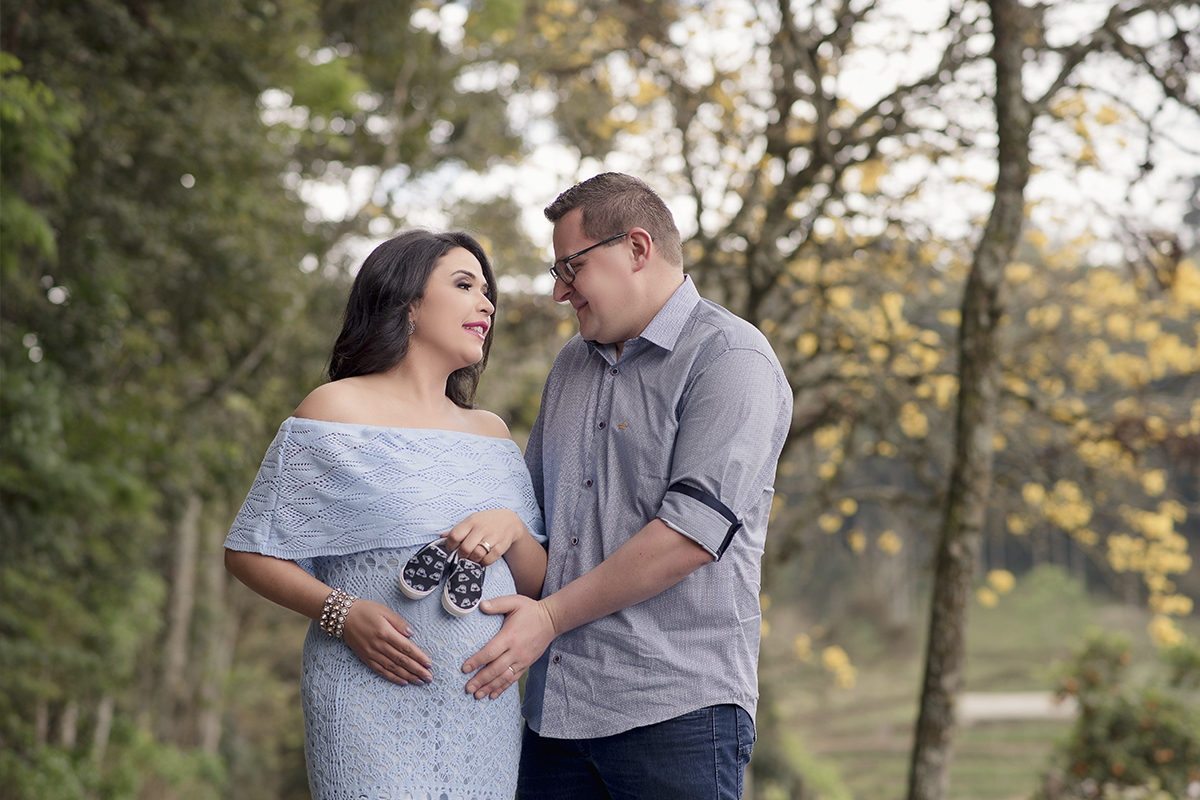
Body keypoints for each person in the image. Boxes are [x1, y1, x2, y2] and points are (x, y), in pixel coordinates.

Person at [461, 173, 793, 799]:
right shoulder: (571, 365)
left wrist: (549, 617)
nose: (560, 291)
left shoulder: (731, 360)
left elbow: (686, 538)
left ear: (637, 249)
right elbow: (538, 536)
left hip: (676, 716)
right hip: (553, 714)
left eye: (571, 267)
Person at [223, 230, 547, 800]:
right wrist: (340, 613)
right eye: (464, 284)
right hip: (363, 701)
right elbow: (249, 550)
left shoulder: (492, 433)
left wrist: (512, 527)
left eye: (487, 291)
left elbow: (537, 581)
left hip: (482, 710)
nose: (487, 303)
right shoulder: (335, 410)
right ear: (408, 302)